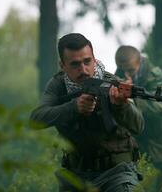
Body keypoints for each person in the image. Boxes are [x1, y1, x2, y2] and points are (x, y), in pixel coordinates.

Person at [30, 33, 145, 192]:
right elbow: (36, 119)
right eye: (75, 64)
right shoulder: (58, 85)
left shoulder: (113, 83)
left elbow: (139, 126)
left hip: (117, 173)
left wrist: (121, 106)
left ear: (94, 59)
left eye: (87, 61)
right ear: (62, 66)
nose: (83, 70)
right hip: (75, 176)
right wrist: (74, 107)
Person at [115, 45, 162, 191]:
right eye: (122, 69)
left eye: (130, 70)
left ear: (140, 62)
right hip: (143, 149)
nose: (126, 75)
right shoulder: (118, 77)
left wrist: (132, 97)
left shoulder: (159, 78)